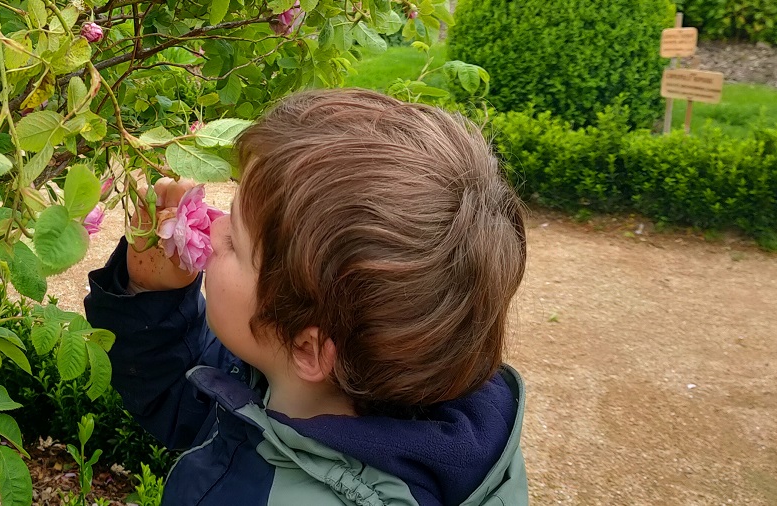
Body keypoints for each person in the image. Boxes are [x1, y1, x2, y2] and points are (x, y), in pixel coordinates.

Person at [84, 89, 528, 505]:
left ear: (307, 348)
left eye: (236, 244)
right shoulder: (355, 379)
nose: (214, 229)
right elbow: (185, 400)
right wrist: (150, 293)